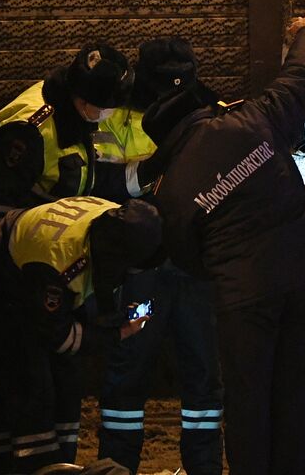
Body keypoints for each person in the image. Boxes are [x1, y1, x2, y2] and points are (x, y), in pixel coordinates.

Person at [141, 13, 305, 475]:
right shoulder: (254, 118)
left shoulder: (172, 189)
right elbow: (303, 76)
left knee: (248, 404)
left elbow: (187, 257)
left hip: (243, 300)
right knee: (291, 399)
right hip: (302, 279)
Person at [93, 39, 224, 475]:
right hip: (140, 267)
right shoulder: (111, 116)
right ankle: (116, 466)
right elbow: (100, 184)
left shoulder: (213, 112)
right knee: (128, 371)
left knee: (204, 375)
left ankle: (203, 468)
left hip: (191, 266)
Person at [0, 195, 160, 474]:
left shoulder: (109, 219)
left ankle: (59, 463)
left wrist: (111, 318)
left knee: (67, 386)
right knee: (30, 387)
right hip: (2, 289)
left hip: (31, 269)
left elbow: (96, 285)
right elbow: (59, 337)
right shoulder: (59, 264)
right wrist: (118, 332)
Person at [0, 43, 131, 252]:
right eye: (105, 108)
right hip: (8, 251)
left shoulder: (69, 106)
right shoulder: (28, 133)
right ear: (84, 99)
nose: (108, 114)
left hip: (42, 240)